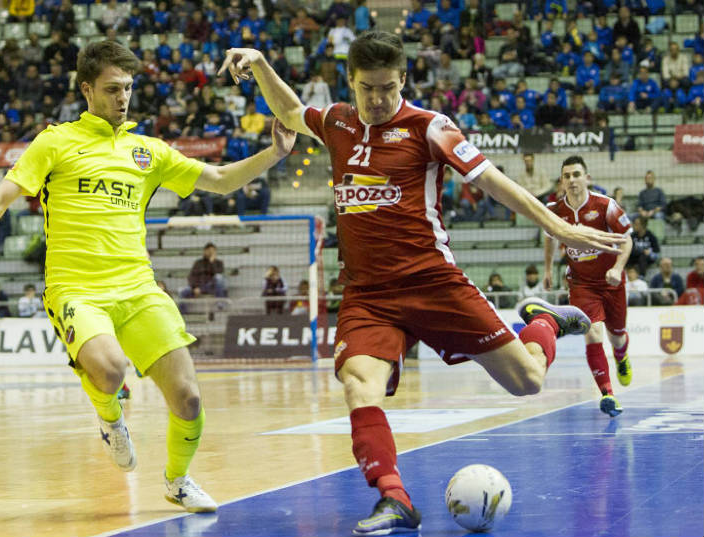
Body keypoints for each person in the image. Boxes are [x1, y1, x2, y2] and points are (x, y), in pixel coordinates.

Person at [219, 34, 626, 535]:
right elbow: (294, 109)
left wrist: (557, 226)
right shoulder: (339, 122)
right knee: (357, 382)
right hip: (368, 294)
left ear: (404, 81)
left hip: (432, 282)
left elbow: (493, 180)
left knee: (527, 382)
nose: (377, 100)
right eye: (367, 88)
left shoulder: (430, 127)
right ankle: (394, 497)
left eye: (388, 88)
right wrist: (260, 62)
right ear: (351, 83)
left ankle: (544, 321)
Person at [0, 40, 295, 514]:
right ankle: (111, 420)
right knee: (111, 371)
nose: (123, 97)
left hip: (138, 288)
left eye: (128, 88)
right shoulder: (55, 141)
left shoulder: (148, 151)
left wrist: (273, 154)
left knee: (188, 399)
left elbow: (219, 178)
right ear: (87, 90)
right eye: (112, 89)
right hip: (76, 289)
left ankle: (177, 480)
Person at [543, 156, 633, 419]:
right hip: (581, 283)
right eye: (567, 176)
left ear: (587, 178)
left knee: (617, 336)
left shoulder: (606, 206)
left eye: (576, 174)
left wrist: (616, 268)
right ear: (562, 181)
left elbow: (626, 242)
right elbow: (549, 239)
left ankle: (621, 355)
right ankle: (607, 394)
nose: (572, 180)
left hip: (611, 282)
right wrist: (548, 269)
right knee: (593, 332)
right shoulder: (553, 210)